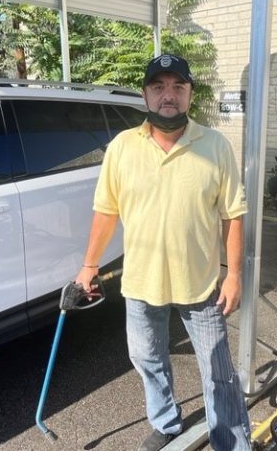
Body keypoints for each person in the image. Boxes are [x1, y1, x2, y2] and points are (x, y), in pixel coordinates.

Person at [75, 54, 251, 451]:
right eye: (158, 87)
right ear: (145, 95)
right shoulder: (122, 147)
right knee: (149, 361)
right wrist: (88, 265)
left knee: (218, 372)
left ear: (190, 93)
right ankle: (167, 422)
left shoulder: (216, 145)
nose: (168, 95)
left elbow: (233, 215)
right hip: (140, 282)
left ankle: (232, 443)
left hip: (201, 284)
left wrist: (235, 274)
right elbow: (107, 210)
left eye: (177, 87)